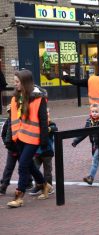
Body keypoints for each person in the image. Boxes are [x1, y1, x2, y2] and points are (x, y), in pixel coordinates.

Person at [7, 70, 52, 208]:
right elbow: (12, 119)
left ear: (25, 82)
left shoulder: (39, 98)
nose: (15, 85)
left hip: (33, 137)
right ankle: (45, 185)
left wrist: (44, 141)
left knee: (23, 166)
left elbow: (43, 120)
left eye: (17, 82)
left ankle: (19, 196)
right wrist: (10, 138)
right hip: (19, 137)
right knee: (30, 165)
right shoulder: (15, 98)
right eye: (14, 82)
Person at [63, 63, 99, 160]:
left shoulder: (91, 79)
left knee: (94, 135)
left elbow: (77, 82)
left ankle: (95, 154)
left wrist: (66, 78)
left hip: (94, 114)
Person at [72, 103, 99, 185]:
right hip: (94, 144)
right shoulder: (89, 121)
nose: (94, 113)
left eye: (96, 112)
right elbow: (84, 133)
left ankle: (90, 177)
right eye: (92, 111)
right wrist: (76, 141)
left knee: (95, 159)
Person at [28, 108, 57, 195]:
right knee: (35, 169)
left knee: (47, 172)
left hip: (47, 152)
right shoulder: (36, 123)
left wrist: (47, 129)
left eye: (47, 112)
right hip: (37, 152)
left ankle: (49, 187)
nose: (45, 113)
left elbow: (55, 128)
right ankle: (39, 186)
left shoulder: (51, 123)